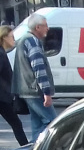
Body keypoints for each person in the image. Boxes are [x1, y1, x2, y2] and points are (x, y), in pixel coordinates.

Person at [13, 12, 56, 142]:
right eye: (45, 25)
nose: (47, 28)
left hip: (26, 90)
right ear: (37, 27)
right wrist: (46, 93)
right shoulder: (32, 41)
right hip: (35, 90)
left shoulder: (24, 40)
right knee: (52, 123)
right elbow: (38, 68)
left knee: (37, 125)